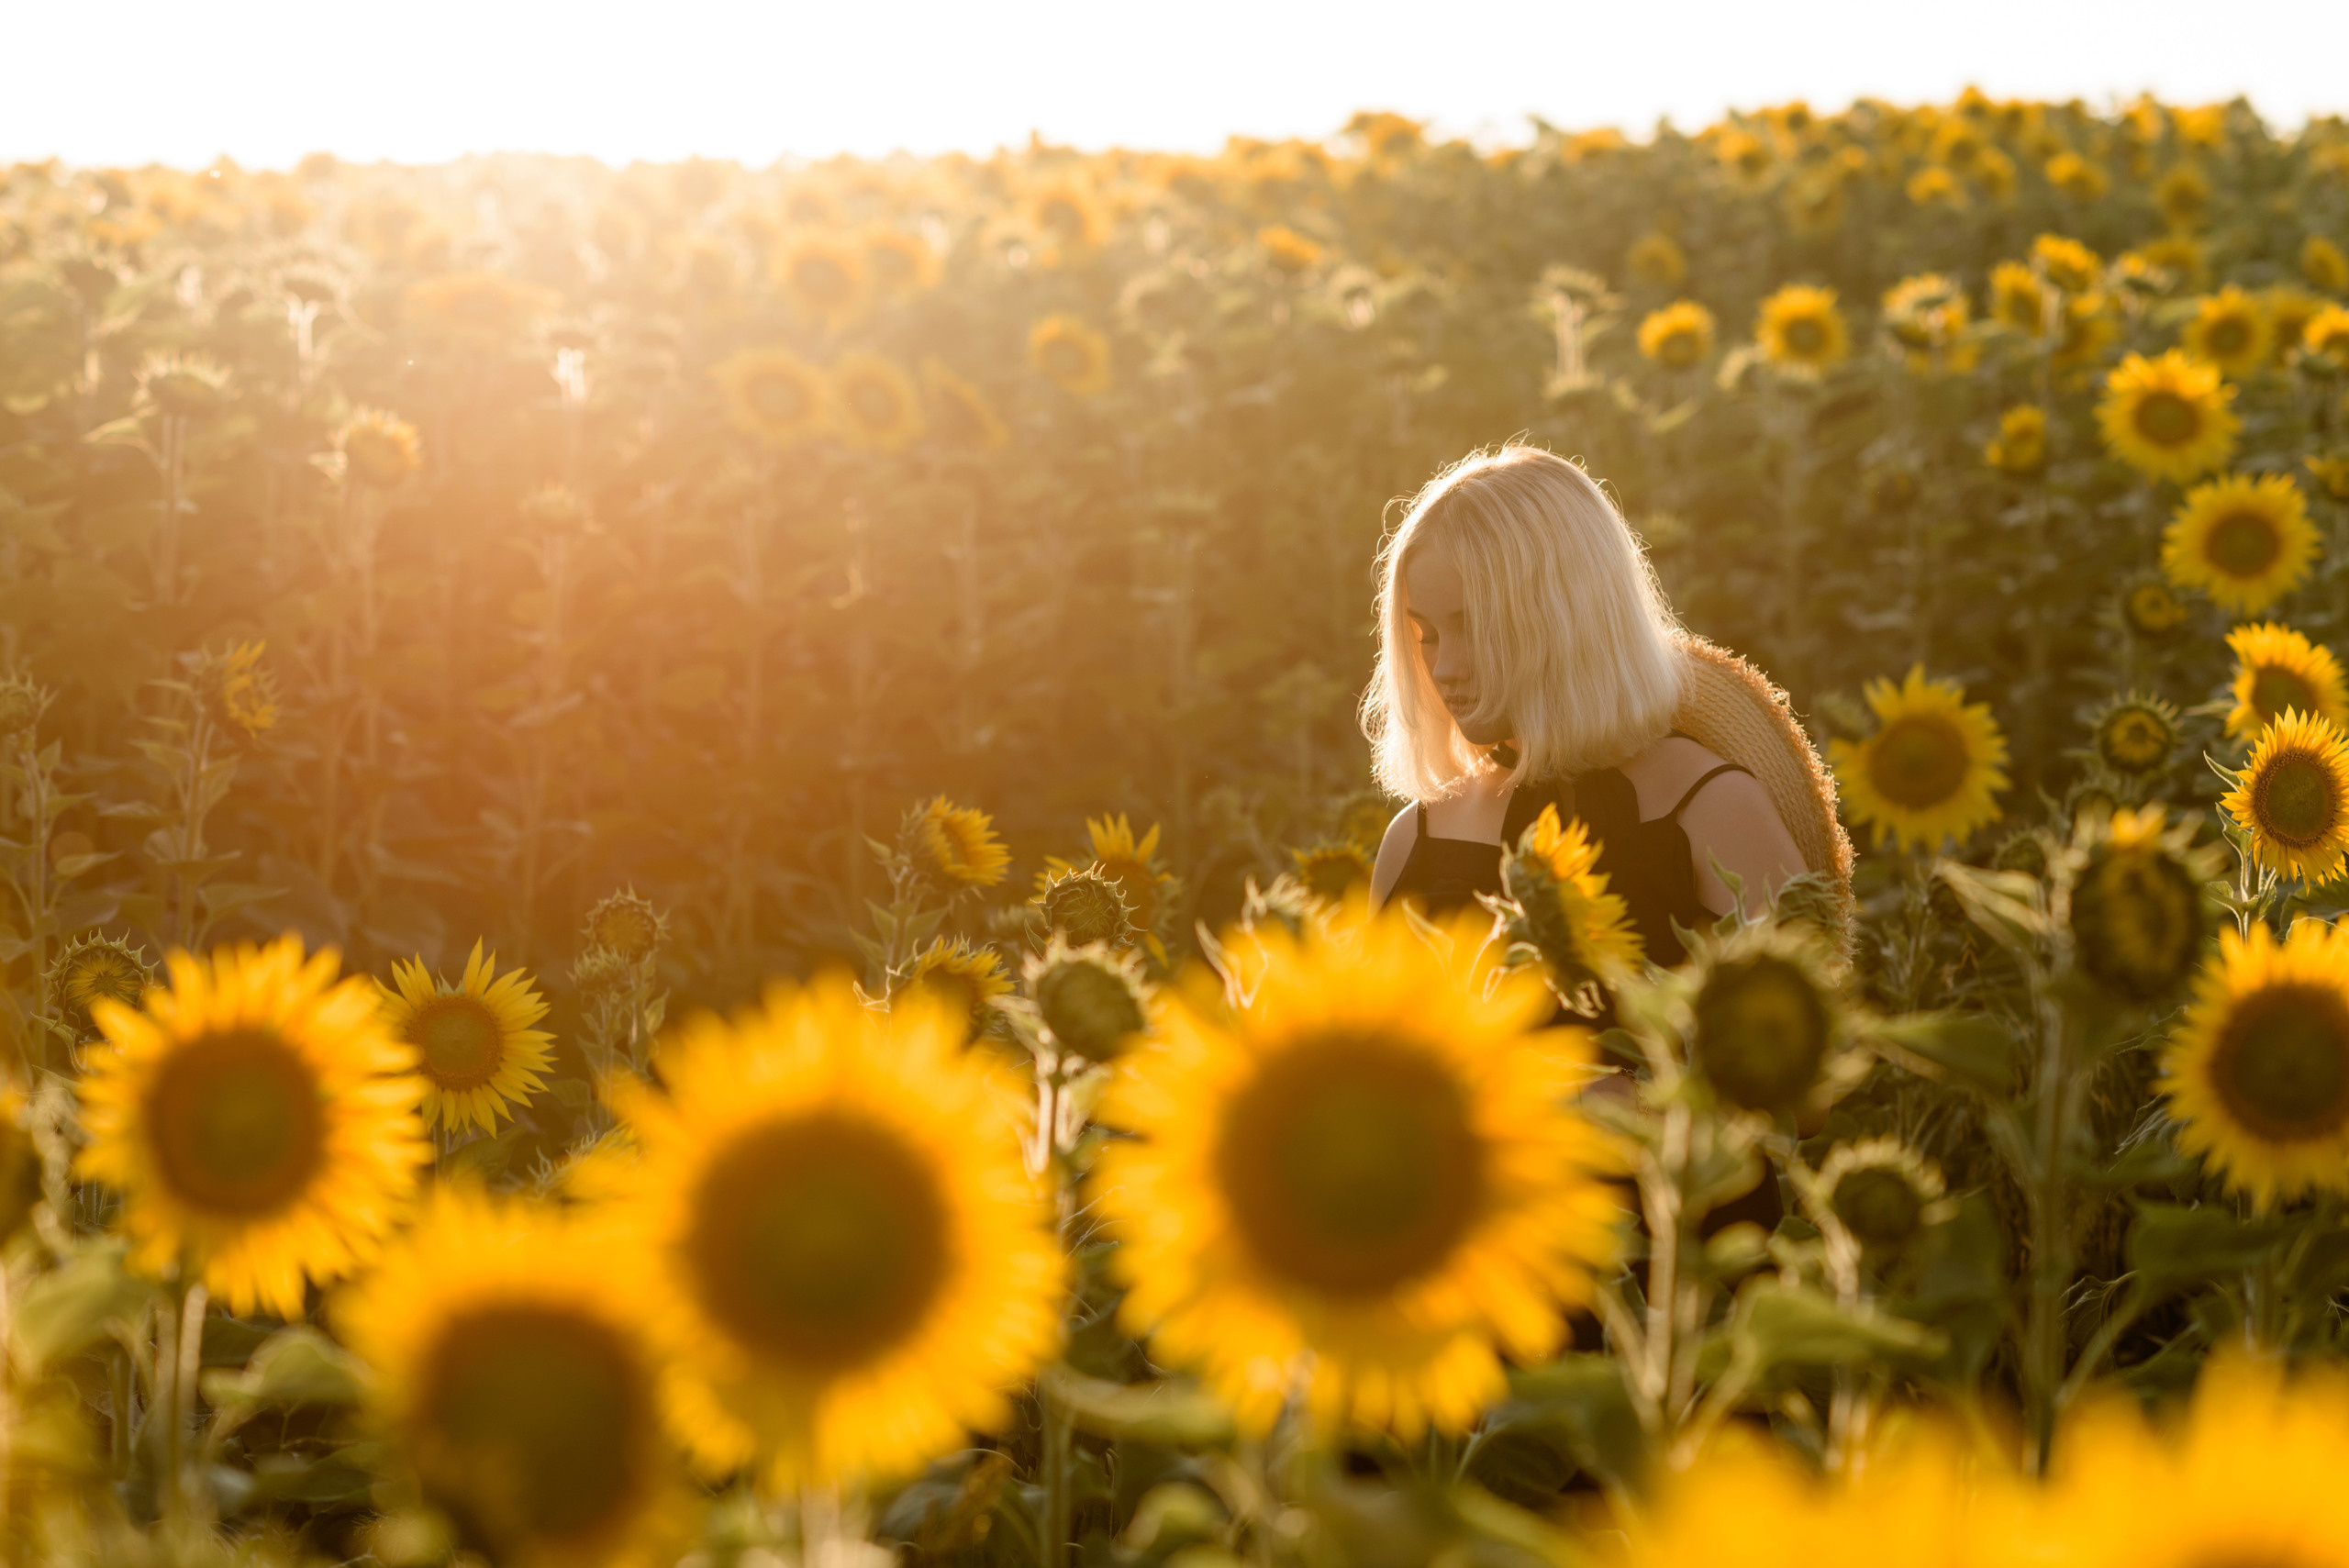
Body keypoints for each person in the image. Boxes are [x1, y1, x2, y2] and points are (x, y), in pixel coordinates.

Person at [1365, 444, 1849, 966]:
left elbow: (1811, 1020)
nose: (1443, 669)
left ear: (1566, 618)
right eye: (1427, 634)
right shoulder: (1414, 838)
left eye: (1476, 627)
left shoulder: (1712, 809)